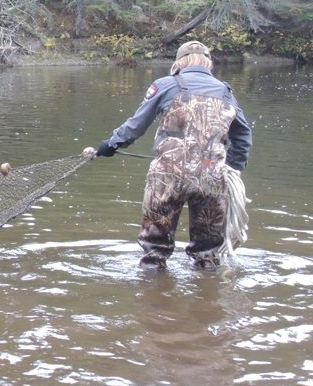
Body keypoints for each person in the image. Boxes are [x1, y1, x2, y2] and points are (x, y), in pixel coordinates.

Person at [95, 40, 252, 269]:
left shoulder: (166, 84)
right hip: (211, 178)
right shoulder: (225, 92)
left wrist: (111, 144)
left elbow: (136, 125)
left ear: (179, 62)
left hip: (168, 176)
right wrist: (233, 166)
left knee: (154, 251)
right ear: (208, 62)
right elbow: (243, 135)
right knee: (207, 253)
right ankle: (207, 296)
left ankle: (154, 294)